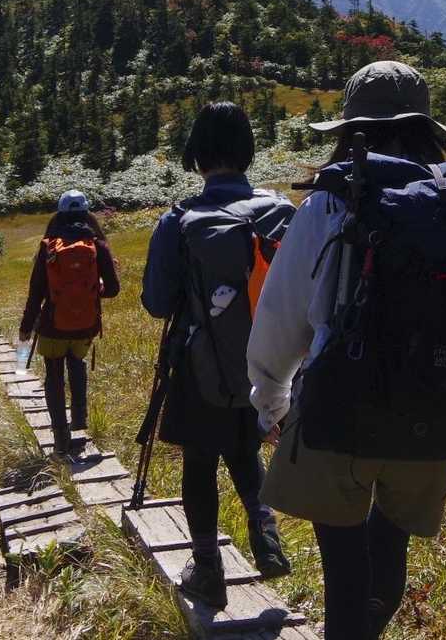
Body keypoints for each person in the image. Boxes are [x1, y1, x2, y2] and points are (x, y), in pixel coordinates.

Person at [247, 61, 446, 640]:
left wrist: (271, 404)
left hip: (339, 408)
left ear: (349, 131)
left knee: (343, 573)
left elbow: (281, 319)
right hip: (434, 408)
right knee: (389, 556)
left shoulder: (329, 203)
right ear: (427, 128)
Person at [142, 102, 297, 609]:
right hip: (272, 364)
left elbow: (157, 303)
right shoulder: (280, 211)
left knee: (200, 461)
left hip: (200, 363)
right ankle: (265, 533)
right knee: (245, 447)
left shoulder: (179, 219)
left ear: (198, 153)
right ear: (247, 150)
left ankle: (208, 569)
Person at [18, 190, 120, 456]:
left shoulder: (48, 247)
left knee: (53, 375)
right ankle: (79, 421)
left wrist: (26, 327)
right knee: (77, 363)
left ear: (59, 214)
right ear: (86, 214)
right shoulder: (98, 246)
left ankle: (60, 438)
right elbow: (113, 289)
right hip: (86, 325)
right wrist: (91, 292)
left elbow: (36, 292)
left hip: (52, 325)